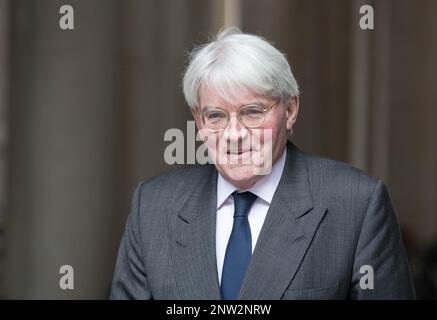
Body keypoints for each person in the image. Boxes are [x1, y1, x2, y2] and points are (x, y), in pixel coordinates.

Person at [110, 28, 415, 299]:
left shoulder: (357, 205)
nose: (234, 135)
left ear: (290, 109)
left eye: (253, 112)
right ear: (197, 119)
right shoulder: (152, 207)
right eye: (216, 116)